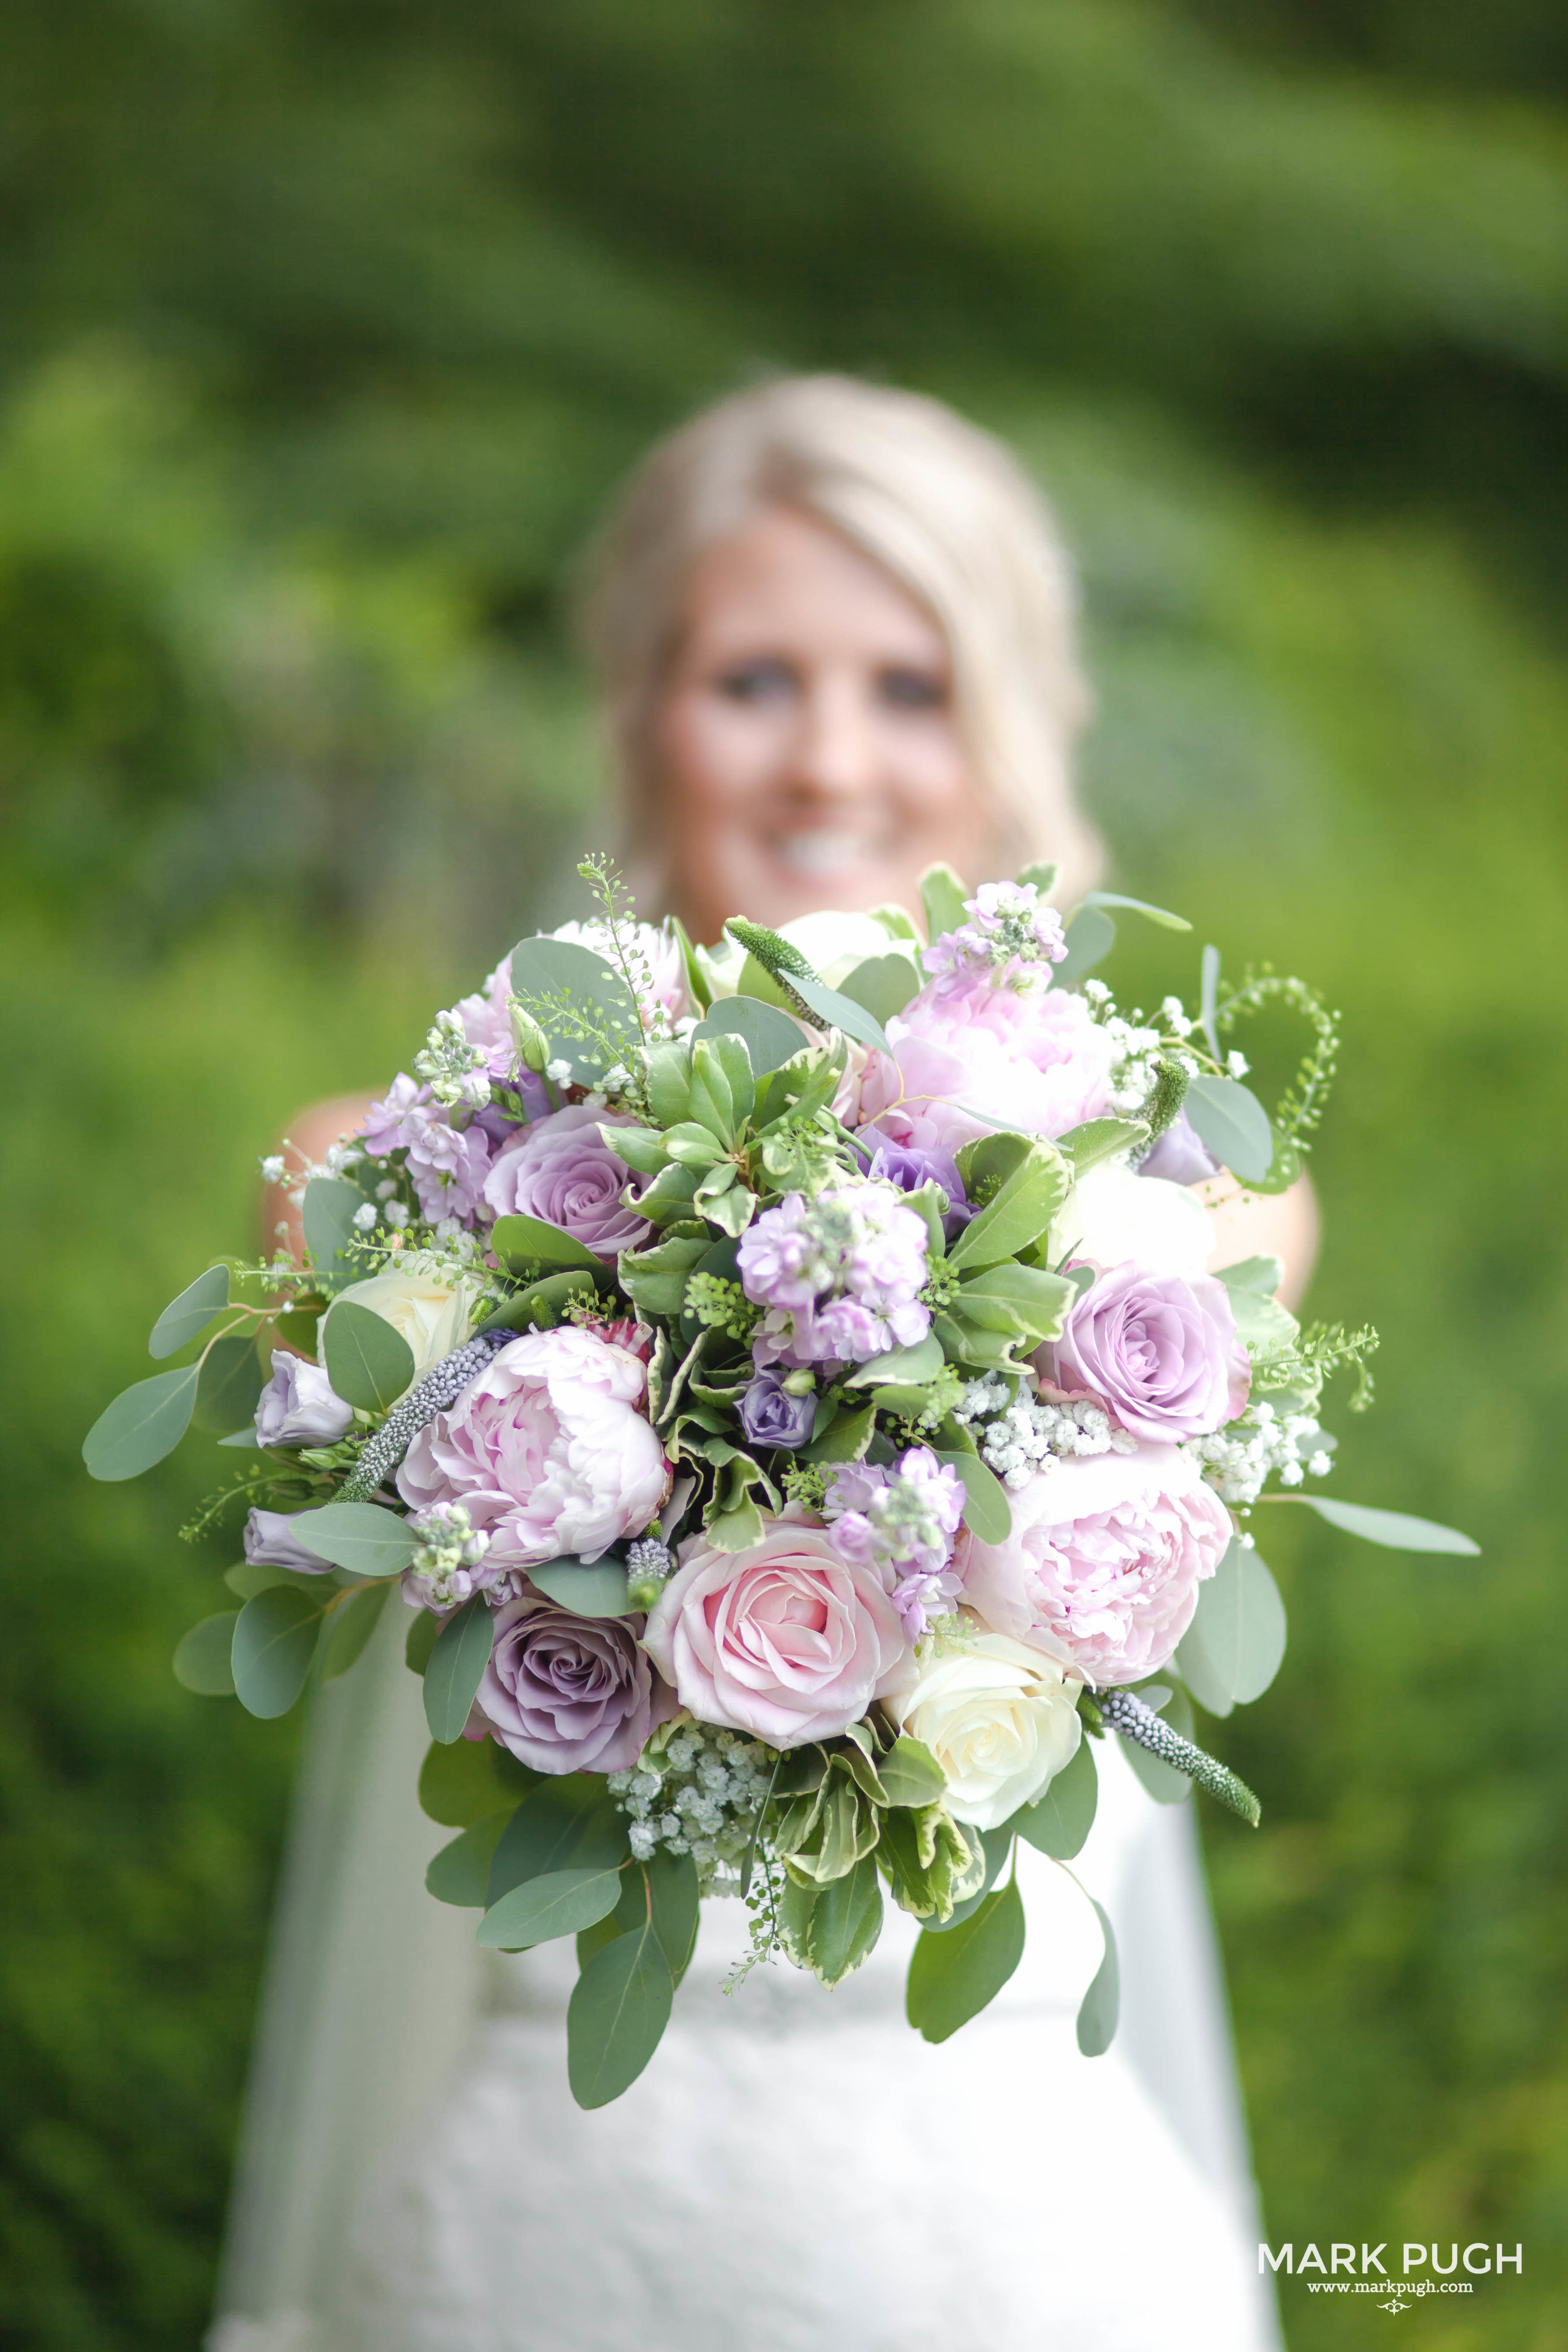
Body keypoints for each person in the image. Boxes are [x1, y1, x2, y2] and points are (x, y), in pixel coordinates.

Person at [214, 377, 1310, 2352]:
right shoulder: (372, 1188)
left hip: (1012, 2246)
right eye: (751, 680)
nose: (829, 763)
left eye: (908, 685)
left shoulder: (1189, 1234)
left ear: (1012, 722)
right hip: (536, 2227)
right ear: (634, 705)